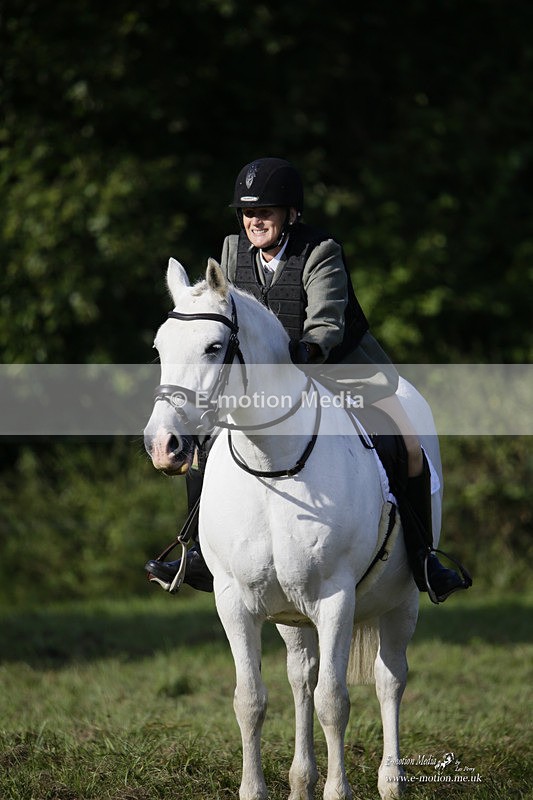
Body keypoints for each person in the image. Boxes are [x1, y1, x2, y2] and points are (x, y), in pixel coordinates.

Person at [145, 157, 471, 603]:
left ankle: (424, 558)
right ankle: (198, 552)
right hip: (262, 383)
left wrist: (305, 353)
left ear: (290, 214)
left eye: (266, 212)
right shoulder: (230, 252)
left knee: (408, 442)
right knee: (203, 446)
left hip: (338, 365)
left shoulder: (320, 251)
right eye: (247, 213)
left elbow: (326, 324)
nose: (255, 221)